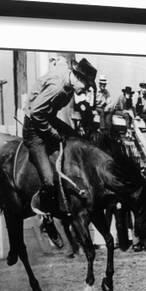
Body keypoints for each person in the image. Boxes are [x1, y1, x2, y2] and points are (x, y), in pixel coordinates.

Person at [23, 57, 97, 216]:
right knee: (49, 181)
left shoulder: (71, 84)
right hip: (34, 127)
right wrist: (52, 133)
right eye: (86, 86)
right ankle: (44, 214)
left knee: (77, 139)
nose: (85, 90)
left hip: (46, 117)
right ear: (77, 78)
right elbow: (36, 113)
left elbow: (62, 62)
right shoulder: (58, 87)